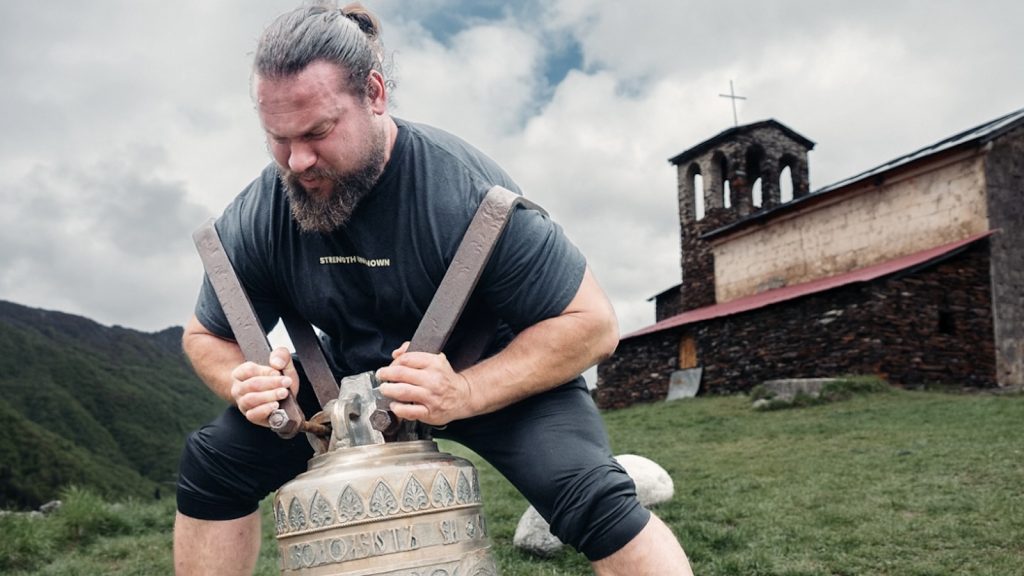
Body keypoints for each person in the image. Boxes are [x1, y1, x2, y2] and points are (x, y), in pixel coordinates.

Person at [173, 3, 694, 575]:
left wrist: (465, 393)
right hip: (344, 386)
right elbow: (205, 334)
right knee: (213, 465)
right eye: (278, 138)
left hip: (489, 371)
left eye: (318, 132)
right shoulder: (261, 213)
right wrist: (243, 380)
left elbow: (592, 324)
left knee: (593, 498)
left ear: (374, 94)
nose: (298, 160)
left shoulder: (467, 196)